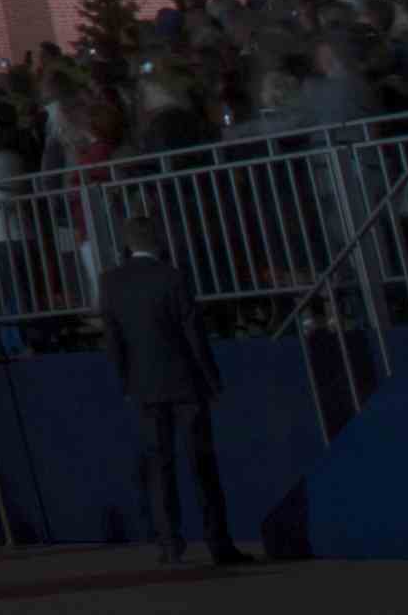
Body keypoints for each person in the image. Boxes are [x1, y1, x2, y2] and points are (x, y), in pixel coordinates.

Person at [100, 208, 250, 569]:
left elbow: (113, 339)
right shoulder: (173, 278)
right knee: (202, 465)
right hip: (186, 384)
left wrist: (126, 381)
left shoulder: (111, 282)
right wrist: (212, 379)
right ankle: (218, 543)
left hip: (145, 386)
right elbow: (194, 336)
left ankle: (169, 544)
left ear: (126, 244)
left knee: (159, 466)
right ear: (159, 241)